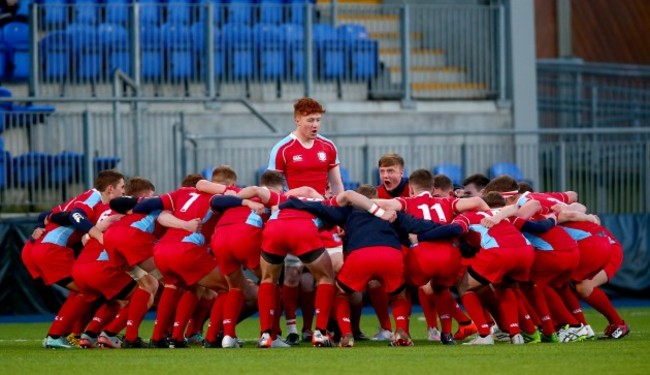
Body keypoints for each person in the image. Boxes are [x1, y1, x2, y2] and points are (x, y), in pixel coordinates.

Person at [267, 97, 345, 345]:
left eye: (318, 120)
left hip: (320, 217)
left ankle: (320, 329)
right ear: (297, 119)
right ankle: (290, 327)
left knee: (327, 273)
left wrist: (339, 215)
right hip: (294, 218)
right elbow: (273, 188)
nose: (315, 125)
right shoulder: (283, 149)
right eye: (310, 120)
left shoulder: (328, 146)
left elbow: (337, 185)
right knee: (291, 276)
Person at [22, 170, 125, 349]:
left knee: (90, 290)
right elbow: (75, 216)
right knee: (86, 290)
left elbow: (46, 215)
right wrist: (99, 236)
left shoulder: (93, 202)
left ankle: (70, 335)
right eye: (122, 187)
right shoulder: (93, 197)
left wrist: (41, 224)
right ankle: (57, 336)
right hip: (50, 249)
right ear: (110, 189)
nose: (124, 192)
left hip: (35, 248)